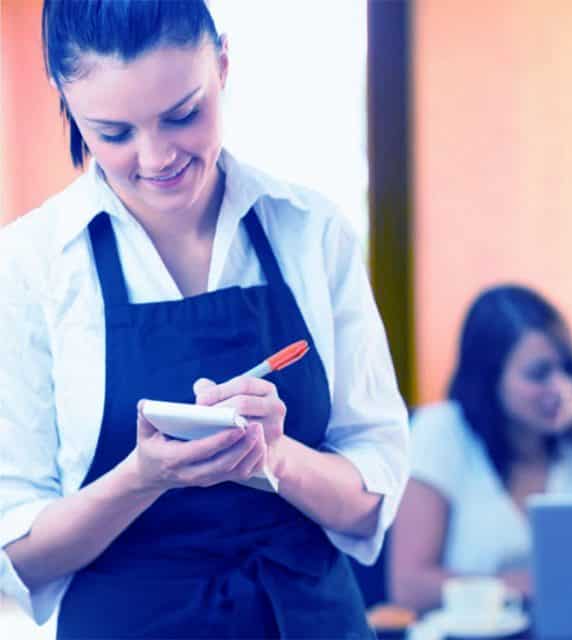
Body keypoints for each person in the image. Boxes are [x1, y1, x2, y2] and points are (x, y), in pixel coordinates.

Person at [0, 1, 409, 637]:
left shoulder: (309, 230)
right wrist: (141, 479)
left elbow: (370, 508)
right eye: (114, 134)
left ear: (222, 64)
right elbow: (18, 556)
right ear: (65, 98)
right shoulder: (30, 265)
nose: (157, 157)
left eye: (183, 115)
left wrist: (274, 457)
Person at [389, 285, 572, 613]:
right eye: (539, 374)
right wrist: (524, 585)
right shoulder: (441, 432)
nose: (561, 388)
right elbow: (408, 586)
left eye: (568, 369)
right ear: (489, 380)